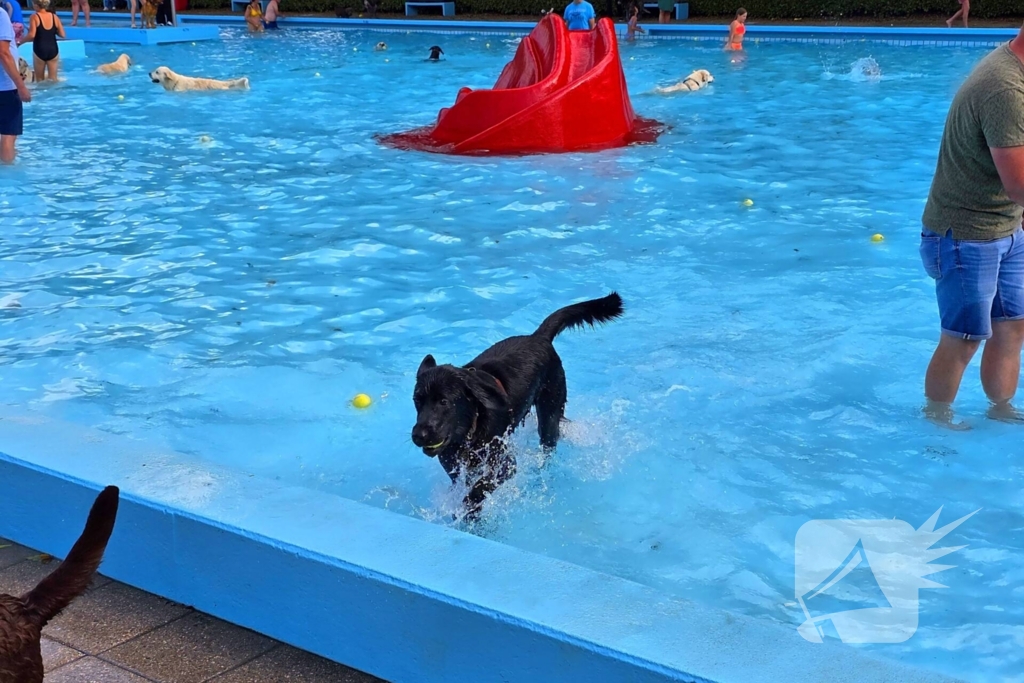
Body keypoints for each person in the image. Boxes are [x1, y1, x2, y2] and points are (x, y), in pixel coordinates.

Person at [920, 21, 1024, 428]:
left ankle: (1001, 409)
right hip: (965, 234)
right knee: (964, 338)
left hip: (1008, 226)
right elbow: (1019, 184)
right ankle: (936, 419)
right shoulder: (1004, 88)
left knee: (1013, 325)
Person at [0, 3, 30, 164]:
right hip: (5, 86)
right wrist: (21, 85)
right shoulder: (1, 14)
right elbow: (3, 53)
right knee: (8, 134)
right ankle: (7, 176)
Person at [20, 0, 63, 83]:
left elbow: (32, 35)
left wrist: (20, 42)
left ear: (36, 5)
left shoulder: (34, 16)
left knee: (39, 80)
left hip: (40, 49)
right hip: (53, 49)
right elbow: (62, 34)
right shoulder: (54, 17)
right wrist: (52, 30)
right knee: (53, 80)